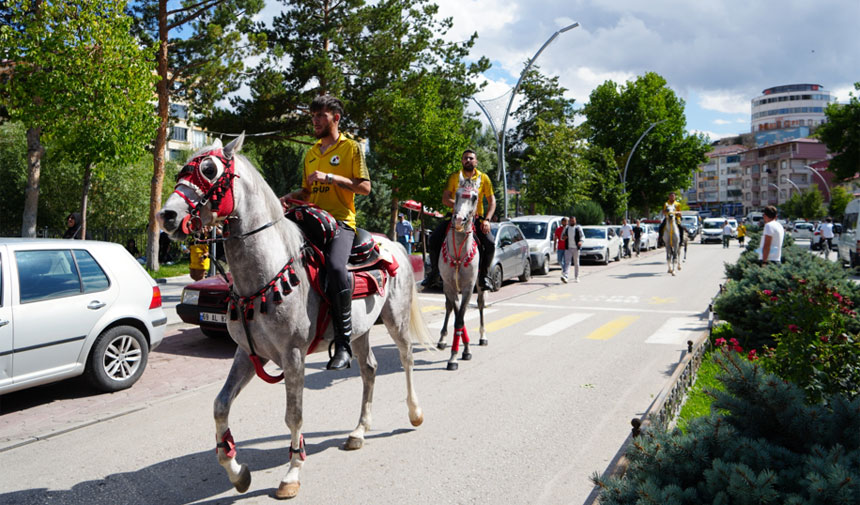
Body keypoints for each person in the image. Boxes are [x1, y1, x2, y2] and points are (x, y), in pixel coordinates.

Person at [280, 95, 370, 371]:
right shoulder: (311, 153)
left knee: (334, 266)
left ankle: (343, 344)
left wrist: (330, 178)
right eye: (313, 115)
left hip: (341, 223)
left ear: (336, 118)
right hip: (312, 220)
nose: (315, 120)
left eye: (321, 115)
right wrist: (287, 197)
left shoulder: (351, 148)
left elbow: (365, 187)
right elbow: (308, 192)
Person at [423, 149, 496, 291]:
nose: (468, 160)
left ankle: (484, 276)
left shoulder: (484, 178)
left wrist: (487, 219)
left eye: (471, 158)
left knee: (490, 243)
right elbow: (445, 198)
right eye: (465, 158)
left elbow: (492, 201)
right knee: (433, 239)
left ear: (476, 161)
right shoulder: (454, 177)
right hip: (455, 216)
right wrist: (461, 206)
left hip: (476, 218)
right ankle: (434, 274)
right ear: (462, 161)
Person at [561, 216, 583, 283]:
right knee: (567, 263)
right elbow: (562, 237)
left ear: (575, 221)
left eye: (573, 221)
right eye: (571, 221)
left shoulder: (578, 228)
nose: (572, 222)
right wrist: (563, 238)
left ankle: (576, 277)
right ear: (569, 221)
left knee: (576, 263)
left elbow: (582, 236)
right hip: (568, 248)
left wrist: (580, 241)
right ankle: (565, 276)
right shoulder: (566, 228)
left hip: (576, 248)